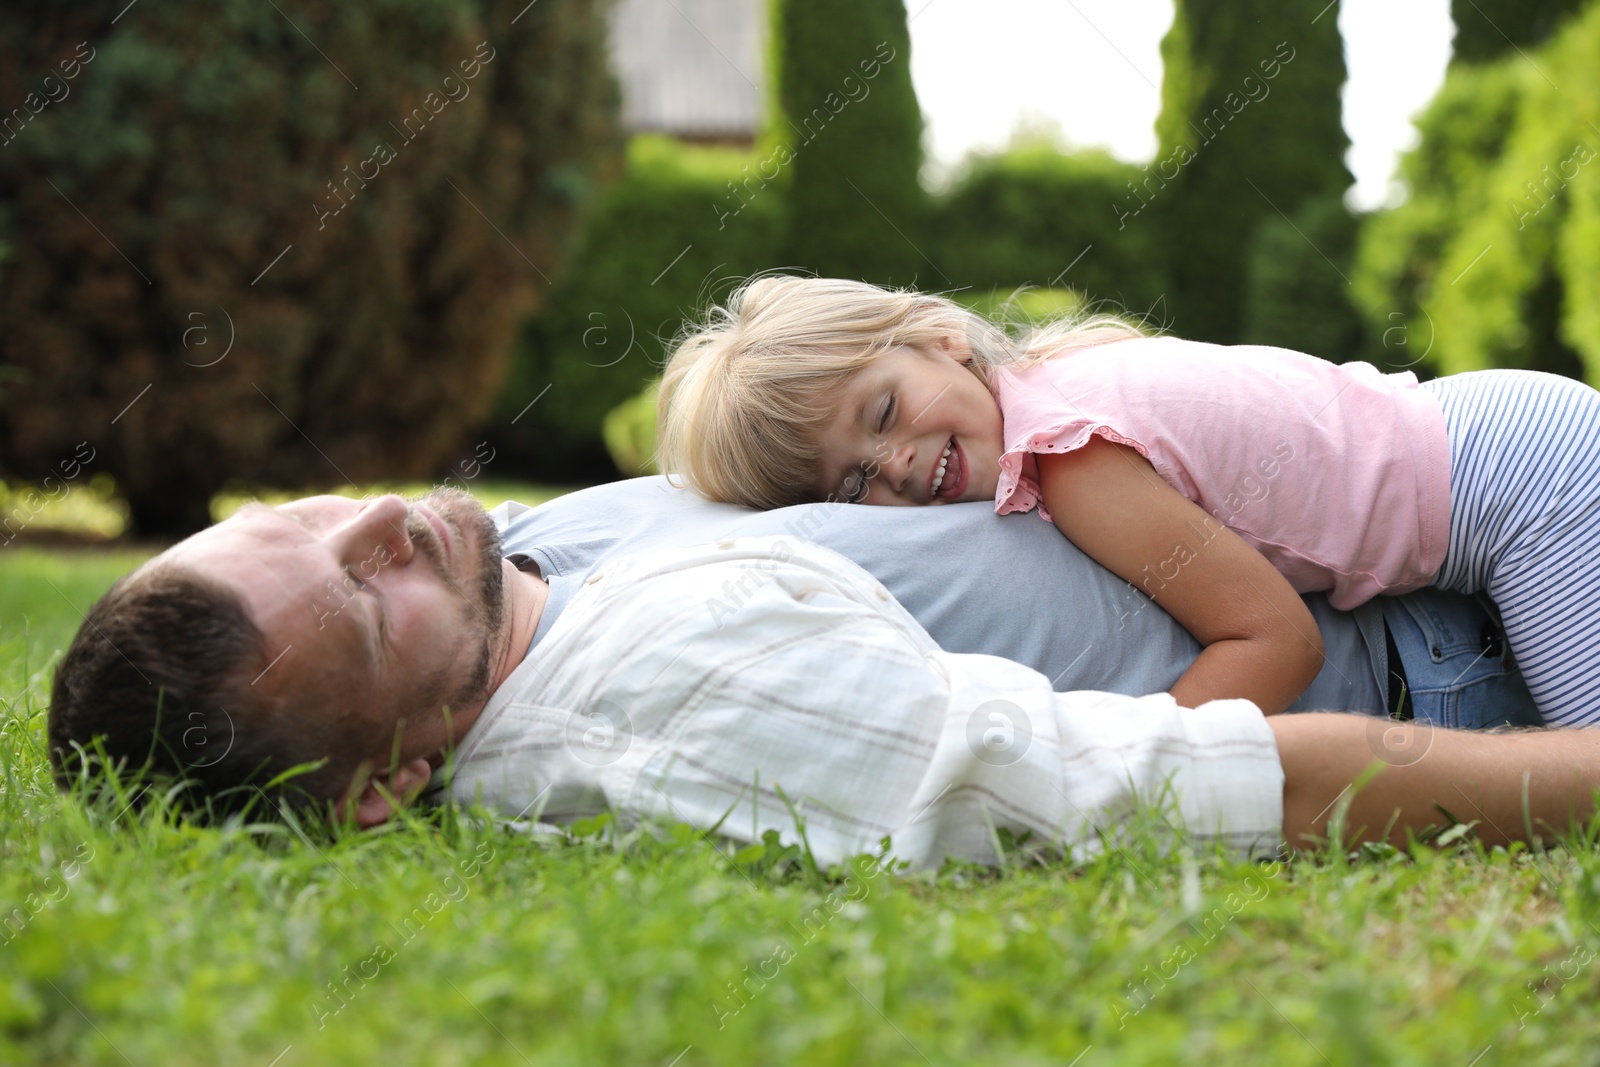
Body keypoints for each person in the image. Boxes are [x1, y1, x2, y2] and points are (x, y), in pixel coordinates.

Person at [46, 488, 1596, 870]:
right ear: (385, 777)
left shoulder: (505, 568)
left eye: (298, 522)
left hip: (1400, 497)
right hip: (1460, 625)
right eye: (364, 599)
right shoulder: (681, 705)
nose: (375, 519)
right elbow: (1236, 783)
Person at [657, 275, 1600, 725]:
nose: (894, 464)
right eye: (852, 483)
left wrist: (1136, 762)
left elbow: (1277, 641)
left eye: (883, 411)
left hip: (1521, 486)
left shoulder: (1068, 457)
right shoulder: (1050, 380)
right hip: (1493, 433)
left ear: (941, 339)